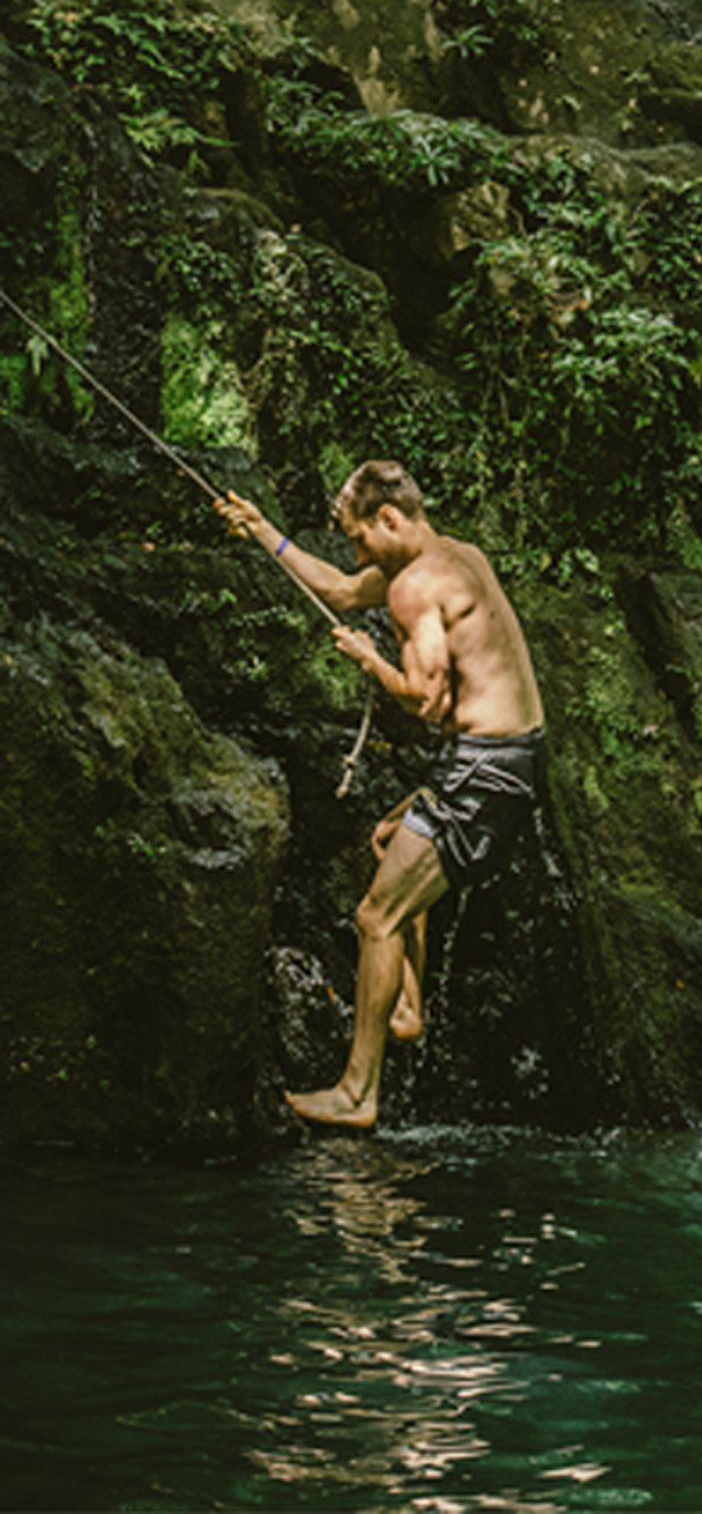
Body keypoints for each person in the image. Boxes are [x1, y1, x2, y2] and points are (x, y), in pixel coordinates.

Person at [216, 460, 547, 1130]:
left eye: (360, 538)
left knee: (376, 919)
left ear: (389, 518)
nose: (356, 551)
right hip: (507, 760)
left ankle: (358, 1093)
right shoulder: (457, 557)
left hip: (487, 773)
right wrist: (262, 531)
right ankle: (406, 1005)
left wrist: (371, 661)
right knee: (388, 840)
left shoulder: (414, 589)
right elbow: (338, 591)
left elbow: (427, 701)